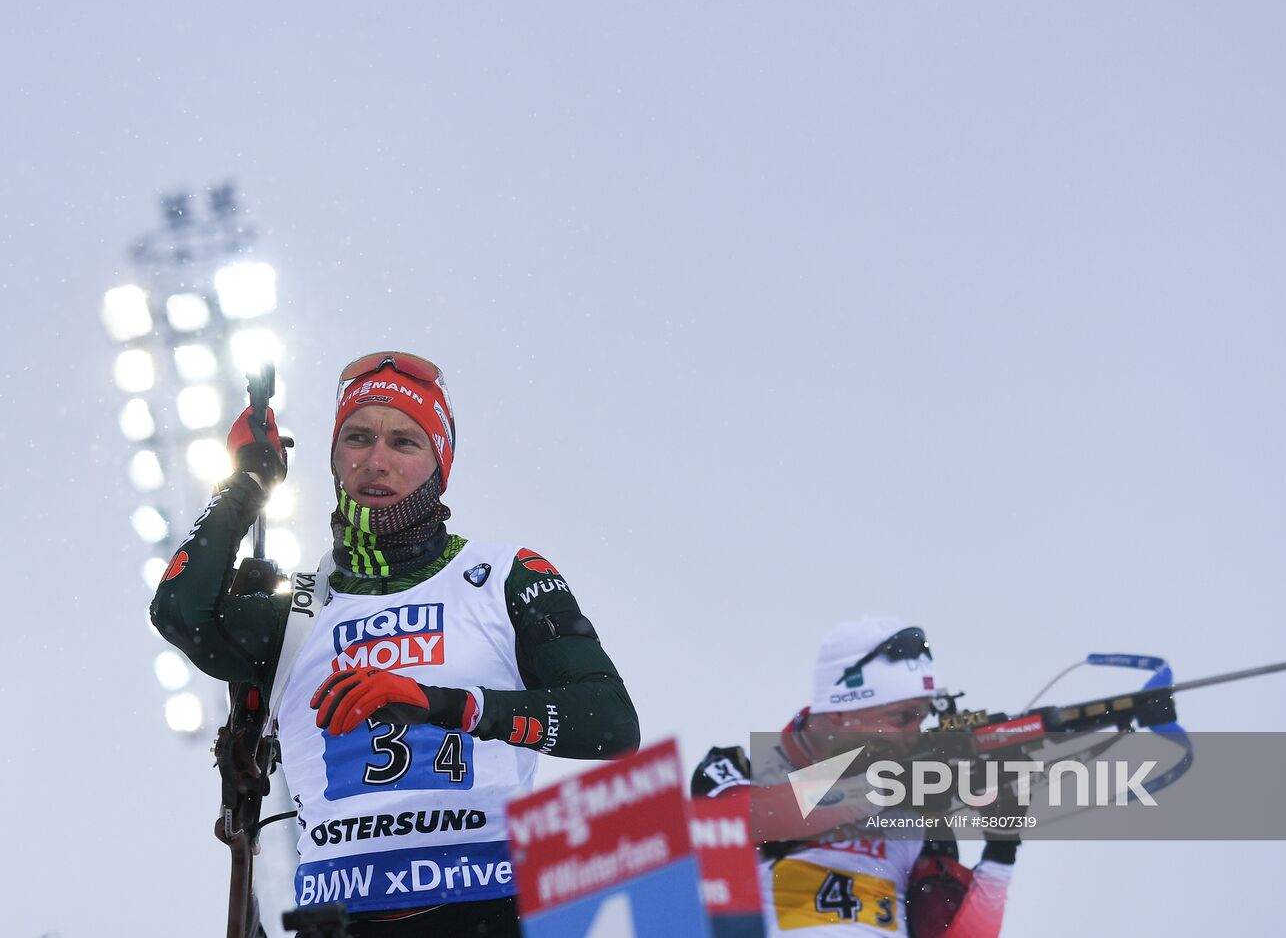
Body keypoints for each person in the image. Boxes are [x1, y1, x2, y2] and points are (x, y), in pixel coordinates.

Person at [151, 351, 640, 936]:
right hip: (338, 917)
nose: (376, 460)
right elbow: (181, 610)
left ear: (439, 465)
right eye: (357, 437)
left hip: (486, 910)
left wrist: (449, 704)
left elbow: (612, 724)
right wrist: (247, 483)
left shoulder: (504, 577)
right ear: (335, 457)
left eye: (404, 443)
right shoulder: (299, 610)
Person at [692, 617, 1018, 937]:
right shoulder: (736, 768)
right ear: (838, 711)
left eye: (923, 717)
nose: (915, 735)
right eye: (903, 717)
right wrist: (879, 789)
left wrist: (1000, 854)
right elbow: (748, 818)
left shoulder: (916, 809)